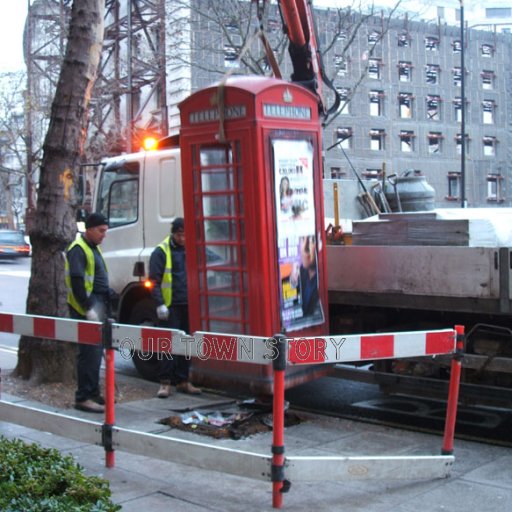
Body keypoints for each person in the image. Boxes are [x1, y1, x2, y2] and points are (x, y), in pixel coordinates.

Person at [149, 217, 201, 398]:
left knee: (186, 344)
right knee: (168, 344)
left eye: (186, 235)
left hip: (188, 303)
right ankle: (165, 383)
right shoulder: (161, 251)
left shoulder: (193, 248)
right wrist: (160, 303)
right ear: (173, 234)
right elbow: (153, 280)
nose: (183, 239)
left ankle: (183, 380)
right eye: (180, 235)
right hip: (170, 306)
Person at [65, 212, 110, 413]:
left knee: (95, 354)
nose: (104, 235)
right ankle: (83, 397)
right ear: (90, 229)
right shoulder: (78, 249)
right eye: (101, 231)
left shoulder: (92, 247)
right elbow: (77, 282)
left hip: (96, 304)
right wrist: (88, 307)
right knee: (88, 354)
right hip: (85, 308)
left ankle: (93, 393)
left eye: (105, 231)